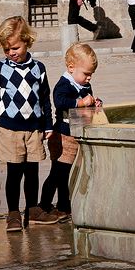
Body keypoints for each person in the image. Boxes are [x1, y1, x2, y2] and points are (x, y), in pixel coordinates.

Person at [0, 16, 59, 232]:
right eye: (6, 50)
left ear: (27, 42)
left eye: (14, 47)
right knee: (14, 173)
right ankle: (13, 213)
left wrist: (48, 125)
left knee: (32, 171)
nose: (11, 53)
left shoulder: (38, 68)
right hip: (9, 129)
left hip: (34, 129)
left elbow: (44, 99)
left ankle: (32, 209)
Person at [39, 42, 102, 220]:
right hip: (62, 136)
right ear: (71, 67)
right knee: (58, 173)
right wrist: (81, 103)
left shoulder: (83, 84)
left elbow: (87, 100)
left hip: (75, 134)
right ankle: (43, 205)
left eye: (91, 75)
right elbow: (60, 102)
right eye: (87, 74)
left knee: (67, 174)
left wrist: (95, 102)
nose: (89, 78)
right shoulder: (64, 84)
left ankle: (63, 206)